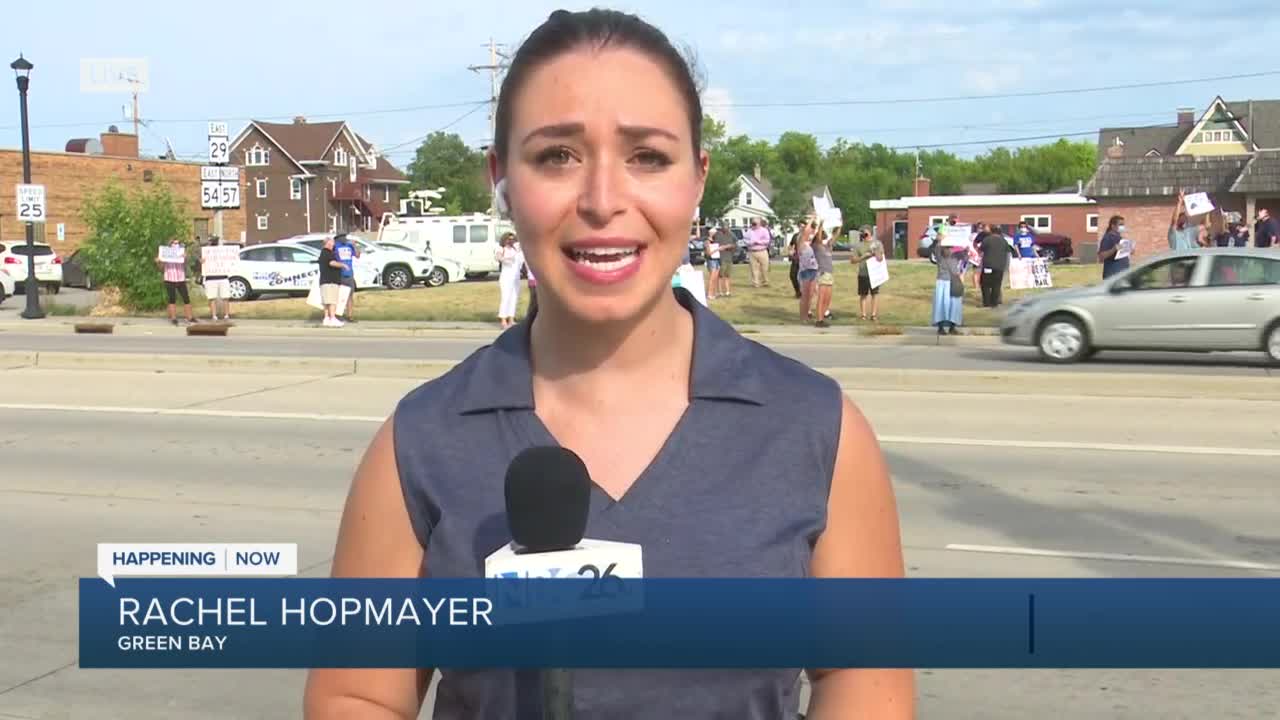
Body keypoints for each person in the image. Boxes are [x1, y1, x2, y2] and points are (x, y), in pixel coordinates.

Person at [304, 10, 913, 719]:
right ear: (501, 179)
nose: (601, 200)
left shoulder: (816, 431)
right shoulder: (419, 443)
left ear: (696, 178)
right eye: (556, 155)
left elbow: (864, 683)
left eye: (647, 156)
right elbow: (357, 695)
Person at [931, 227, 964, 335]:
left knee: (954, 305)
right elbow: (935, 250)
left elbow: (965, 258)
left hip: (954, 280)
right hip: (943, 280)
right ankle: (940, 327)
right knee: (941, 304)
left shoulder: (957, 250)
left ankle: (952, 327)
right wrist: (939, 239)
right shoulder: (939, 249)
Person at [156, 237, 195, 326]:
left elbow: (185, 264)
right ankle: (173, 318)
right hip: (169, 278)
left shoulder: (181, 252)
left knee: (186, 298)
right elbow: (161, 268)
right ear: (170, 244)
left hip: (180, 278)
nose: (176, 245)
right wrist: (159, 261)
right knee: (172, 299)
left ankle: (190, 317)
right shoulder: (166, 253)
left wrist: (185, 258)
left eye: (178, 243)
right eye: (174, 243)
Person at [850, 225, 884, 321]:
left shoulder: (877, 244)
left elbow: (880, 258)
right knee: (863, 294)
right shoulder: (858, 245)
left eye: (865, 233)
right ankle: (863, 314)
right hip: (863, 273)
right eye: (862, 233)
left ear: (870, 233)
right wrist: (863, 257)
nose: (864, 235)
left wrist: (875, 252)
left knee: (875, 294)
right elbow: (853, 260)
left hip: (874, 273)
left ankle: (873, 315)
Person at [978, 227, 1016, 308]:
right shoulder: (1004, 241)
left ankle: (986, 303)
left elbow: (981, 250)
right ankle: (994, 303)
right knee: (996, 285)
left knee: (985, 284)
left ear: (991, 232)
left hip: (988, 265)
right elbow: (1008, 252)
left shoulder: (987, 239)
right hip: (1000, 266)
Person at [200, 236, 233, 322]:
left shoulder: (223, 251)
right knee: (212, 298)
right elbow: (199, 264)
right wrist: (201, 261)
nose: (213, 242)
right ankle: (214, 316)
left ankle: (226, 315)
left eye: (215, 241)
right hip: (210, 277)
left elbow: (230, 260)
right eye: (212, 241)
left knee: (226, 297)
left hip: (223, 277)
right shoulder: (206, 251)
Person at [316, 236, 346, 328]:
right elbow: (331, 263)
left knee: (326, 301)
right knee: (332, 301)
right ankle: (332, 318)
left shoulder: (323, 253)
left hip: (325, 281)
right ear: (328, 243)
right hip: (330, 281)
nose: (334, 244)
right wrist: (342, 265)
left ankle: (326, 318)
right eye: (332, 242)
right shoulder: (327, 252)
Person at [495, 231, 522, 328]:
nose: (511, 241)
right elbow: (497, 256)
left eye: (513, 239)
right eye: (509, 239)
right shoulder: (501, 248)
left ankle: (511, 319)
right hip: (506, 277)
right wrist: (506, 259)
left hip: (516, 277)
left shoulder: (516, 248)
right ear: (505, 239)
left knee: (514, 298)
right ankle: (503, 320)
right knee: (505, 298)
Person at [812, 221, 837, 327]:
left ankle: (822, 317)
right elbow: (818, 238)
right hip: (822, 273)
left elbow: (835, 237)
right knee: (821, 298)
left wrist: (840, 226)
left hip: (829, 273)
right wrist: (821, 226)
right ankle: (819, 319)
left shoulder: (827, 247)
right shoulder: (817, 246)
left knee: (827, 298)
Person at [333, 233, 360, 323]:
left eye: (345, 237)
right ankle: (337, 315)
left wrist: (355, 245)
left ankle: (350, 315)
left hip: (349, 274)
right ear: (338, 238)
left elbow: (357, 255)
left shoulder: (349, 245)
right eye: (342, 237)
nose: (344, 238)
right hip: (339, 274)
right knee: (339, 296)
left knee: (350, 296)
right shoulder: (335, 246)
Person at [797, 220, 820, 322]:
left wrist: (820, 223)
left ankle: (807, 314)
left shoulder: (808, 244)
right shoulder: (801, 243)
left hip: (813, 270)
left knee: (810, 295)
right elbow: (806, 231)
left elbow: (815, 233)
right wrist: (812, 219)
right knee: (805, 296)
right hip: (805, 271)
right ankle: (803, 316)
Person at [1097, 215, 1130, 279]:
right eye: (1120, 225)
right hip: (1112, 275)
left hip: (1121, 274)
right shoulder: (1108, 238)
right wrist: (1113, 249)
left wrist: (1129, 249)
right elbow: (1101, 256)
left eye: (1123, 225)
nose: (1122, 227)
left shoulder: (1119, 238)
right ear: (1113, 226)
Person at [745, 217, 771, 288]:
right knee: (754, 269)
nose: (753, 225)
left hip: (762, 251)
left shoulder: (764, 230)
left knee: (764, 268)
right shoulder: (749, 231)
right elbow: (745, 240)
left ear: (759, 223)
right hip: (752, 252)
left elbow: (767, 240)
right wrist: (750, 243)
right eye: (753, 223)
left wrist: (758, 242)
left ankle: (765, 282)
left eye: (755, 223)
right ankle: (755, 283)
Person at [714, 223, 735, 296]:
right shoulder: (718, 235)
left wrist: (729, 246)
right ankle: (720, 291)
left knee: (727, 275)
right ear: (722, 228)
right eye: (724, 227)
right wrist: (722, 247)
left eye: (727, 227)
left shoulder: (731, 235)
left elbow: (734, 244)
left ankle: (727, 291)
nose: (726, 229)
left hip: (729, 257)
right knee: (720, 275)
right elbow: (715, 245)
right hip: (721, 257)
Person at [704, 223, 723, 299]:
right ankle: (709, 294)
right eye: (715, 233)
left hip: (717, 260)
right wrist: (718, 249)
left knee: (715, 278)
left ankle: (714, 293)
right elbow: (708, 253)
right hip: (711, 260)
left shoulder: (715, 241)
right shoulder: (707, 241)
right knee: (712, 278)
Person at [787, 228, 801, 298]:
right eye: (800, 226)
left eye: (803, 226)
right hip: (796, 257)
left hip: (805, 258)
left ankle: (804, 293)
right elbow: (791, 245)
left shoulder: (810, 235)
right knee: (792, 275)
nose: (801, 228)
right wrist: (790, 251)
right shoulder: (796, 235)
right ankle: (798, 291)